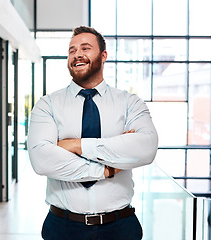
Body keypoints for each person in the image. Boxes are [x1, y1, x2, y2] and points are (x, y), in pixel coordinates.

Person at [27, 26, 158, 240]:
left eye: (85, 48)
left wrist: (74, 145)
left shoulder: (129, 103)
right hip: (63, 227)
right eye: (72, 50)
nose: (77, 54)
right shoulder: (47, 105)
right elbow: (42, 160)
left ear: (103, 55)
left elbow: (146, 148)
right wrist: (107, 169)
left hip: (120, 227)